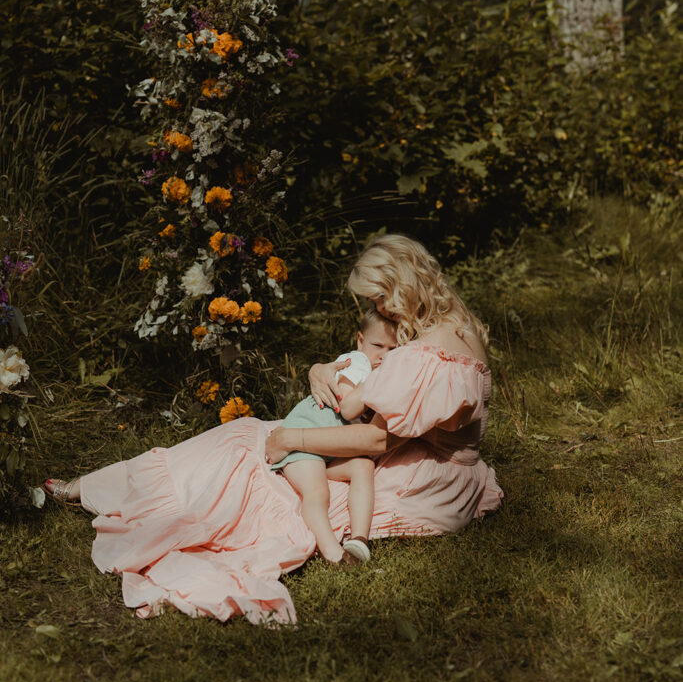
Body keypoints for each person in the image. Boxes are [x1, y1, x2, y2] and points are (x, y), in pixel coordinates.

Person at [44, 233, 503, 625]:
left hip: (421, 475)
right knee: (245, 435)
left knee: (259, 468)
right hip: (422, 456)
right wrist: (321, 370)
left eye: (378, 298)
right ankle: (102, 486)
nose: (375, 308)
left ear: (399, 289)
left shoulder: (428, 354)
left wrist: (291, 438)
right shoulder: (451, 323)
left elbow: (377, 438)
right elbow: (368, 377)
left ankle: (118, 494)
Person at [271, 307, 397, 566]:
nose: (384, 356)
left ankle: (360, 539)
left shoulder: (382, 370)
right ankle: (335, 555)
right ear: (361, 341)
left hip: (328, 448)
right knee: (318, 493)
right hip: (303, 440)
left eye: (393, 349)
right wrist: (377, 380)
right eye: (378, 345)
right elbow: (349, 407)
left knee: (364, 465)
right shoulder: (356, 362)